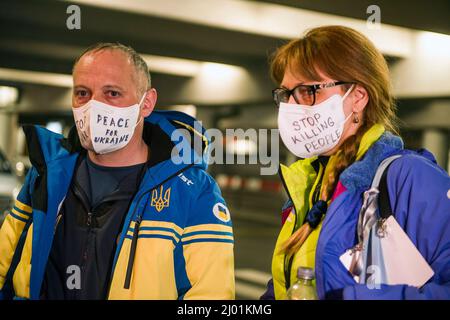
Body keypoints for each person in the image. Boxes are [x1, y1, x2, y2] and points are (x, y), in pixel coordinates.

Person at [0, 43, 235, 300]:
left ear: (146, 103)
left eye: (112, 93)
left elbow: (211, 296)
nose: (94, 106)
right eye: (82, 93)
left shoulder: (192, 190)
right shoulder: (47, 175)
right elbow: (5, 263)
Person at [261, 25, 450, 300]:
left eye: (307, 91)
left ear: (358, 97)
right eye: (286, 94)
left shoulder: (409, 178)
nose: (292, 106)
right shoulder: (310, 184)